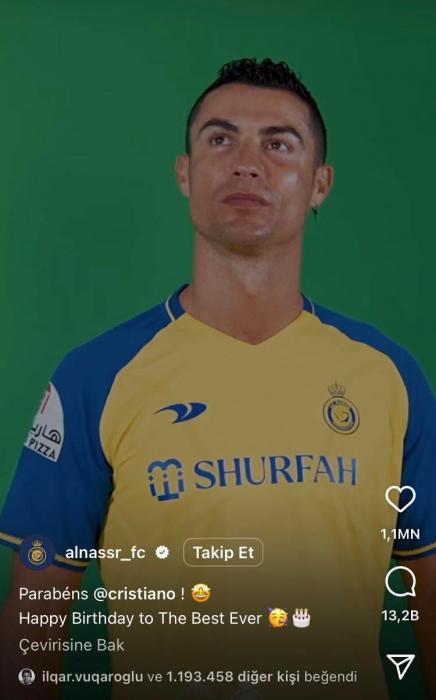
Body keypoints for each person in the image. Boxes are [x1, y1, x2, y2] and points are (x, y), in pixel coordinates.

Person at [0, 57, 435, 700]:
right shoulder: (96, 376)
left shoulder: (390, 377)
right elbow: (34, 624)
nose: (247, 164)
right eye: (221, 139)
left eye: (278, 144)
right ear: (185, 172)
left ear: (320, 183)